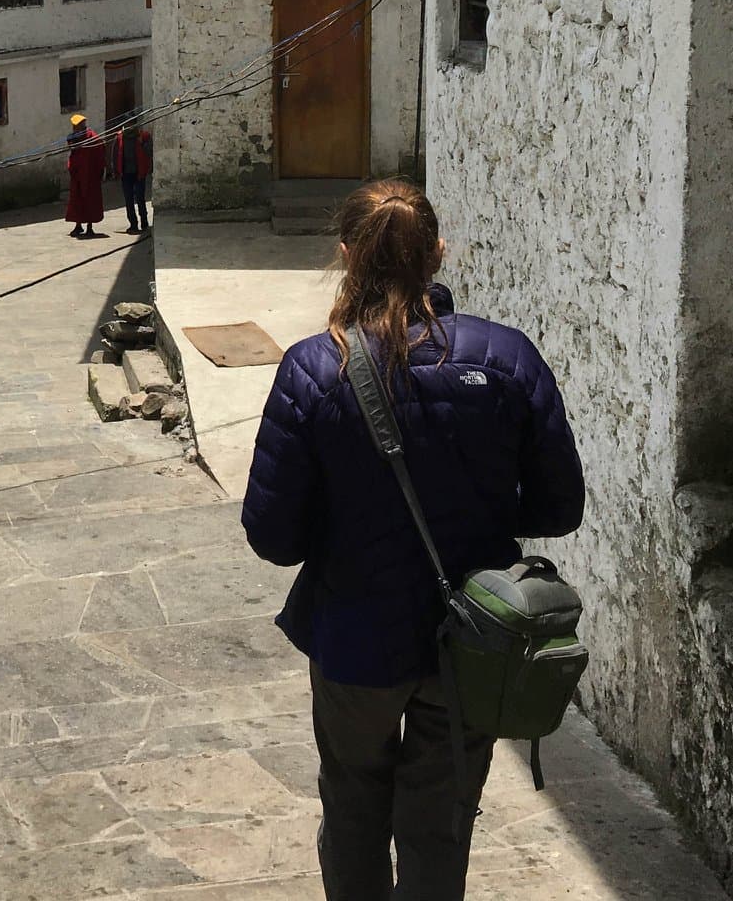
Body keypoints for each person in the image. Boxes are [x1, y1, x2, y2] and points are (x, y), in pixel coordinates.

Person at [240, 180, 584, 900]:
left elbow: (273, 535)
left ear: (346, 257)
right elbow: (559, 505)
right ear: (436, 254)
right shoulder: (507, 358)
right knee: (439, 820)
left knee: (354, 808)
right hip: (470, 645)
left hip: (355, 638)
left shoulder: (314, 370)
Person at [63, 113, 107, 239]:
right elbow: (72, 151)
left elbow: (100, 155)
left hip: (90, 176)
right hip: (77, 175)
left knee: (90, 200)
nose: (74, 129)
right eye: (73, 127)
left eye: (76, 126)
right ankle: (78, 225)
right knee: (77, 200)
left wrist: (100, 172)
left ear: (82, 125)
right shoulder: (74, 138)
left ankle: (89, 227)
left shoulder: (93, 138)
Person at [110, 116, 153, 234]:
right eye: (127, 123)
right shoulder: (119, 137)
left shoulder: (144, 136)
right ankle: (133, 224)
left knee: (140, 198)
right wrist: (115, 170)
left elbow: (149, 152)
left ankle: (144, 222)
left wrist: (141, 143)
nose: (129, 126)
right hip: (126, 174)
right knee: (129, 200)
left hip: (139, 173)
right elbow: (114, 155)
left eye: (131, 123)